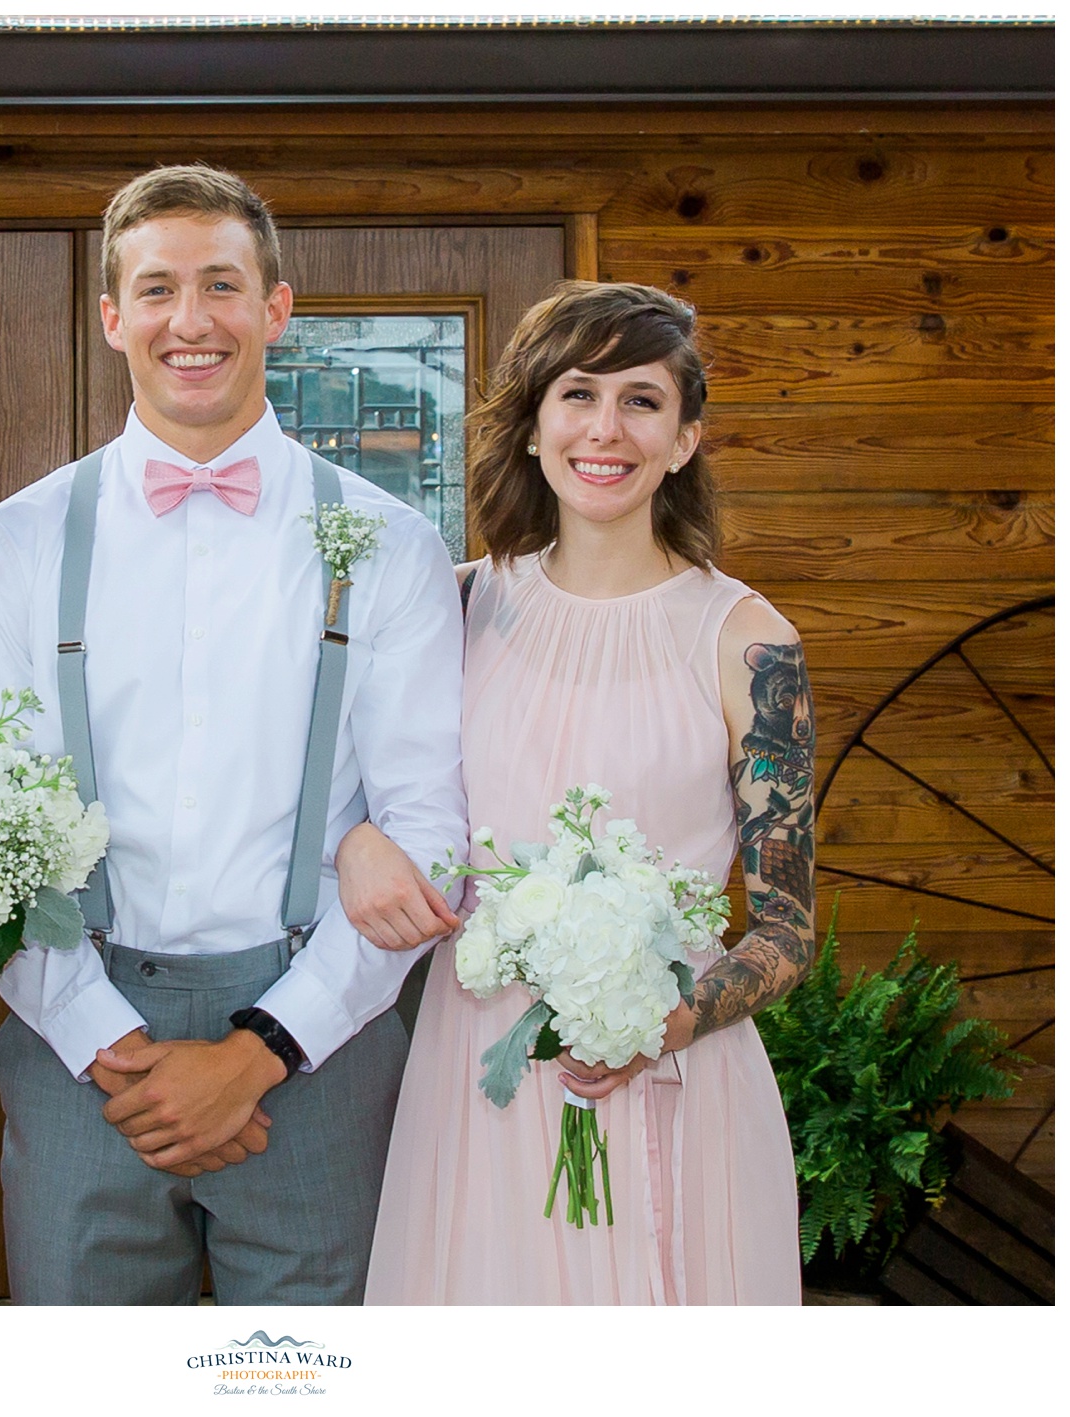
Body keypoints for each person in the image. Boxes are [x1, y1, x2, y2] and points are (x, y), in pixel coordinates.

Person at [0, 165, 466, 1305]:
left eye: (220, 285)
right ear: (114, 315)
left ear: (273, 309)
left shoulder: (386, 543)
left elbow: (429, 830)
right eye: (157, 288)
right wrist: (111, 1050)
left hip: (322, 1036)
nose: (191, 320)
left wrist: (261, 1050)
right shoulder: (12, 545)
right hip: (76, 1039)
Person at [356, 281, 813, 1304]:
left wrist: (654, 1026)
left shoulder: (748, 644)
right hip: (475, 1072)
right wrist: (356, 844)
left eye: (642, 400)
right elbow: (363, 806)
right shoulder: (454, 607)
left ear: (684, 437)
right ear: (530, 424)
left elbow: (786, 931)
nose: (604, 429)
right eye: (577, 393)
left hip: (674, 1076)